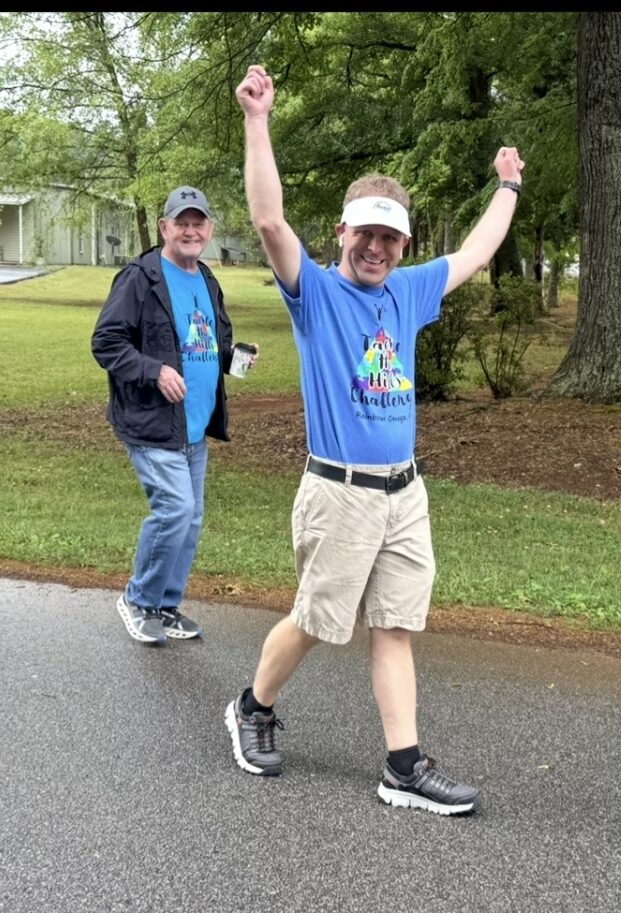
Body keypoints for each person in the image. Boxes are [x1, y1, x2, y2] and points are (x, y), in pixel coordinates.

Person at [226, 63, 524, 816]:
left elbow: (477, 253)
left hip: (404, 492)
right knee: (316, 622)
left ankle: (403, 766)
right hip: (340, 494)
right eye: (366, 233)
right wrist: (258, 121)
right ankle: (252, 706)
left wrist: (509, 187)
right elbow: (269, 222)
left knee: (396, 626)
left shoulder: (408, 291)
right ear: (342, 232)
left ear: (402, 242)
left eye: (390, 237)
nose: (377, 248)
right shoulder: (317, 293)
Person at [91, 186, 258, 645]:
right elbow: (106, 342)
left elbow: (209, 345)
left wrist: (236, 358)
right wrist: (154, 371)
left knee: (191, 517)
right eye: (181, 223)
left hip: (193, 426)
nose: (190, 231)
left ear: (209, 230)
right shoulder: (139, 279)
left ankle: (165, 605)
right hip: (151, 423)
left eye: (197, 223)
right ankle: (138, 599)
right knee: (175, 510)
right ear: (164, 227)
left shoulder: (207, 280)